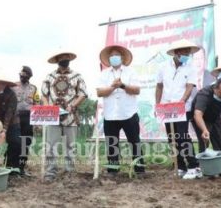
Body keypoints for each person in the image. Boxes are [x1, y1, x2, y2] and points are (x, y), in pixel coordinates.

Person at [155, 39, 200, 179]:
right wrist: (157, 104)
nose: (186, 53)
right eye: (183, 51)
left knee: (182, 136)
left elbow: (189, 87)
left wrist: (182, 101)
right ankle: (180, 166)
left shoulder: (191, 67)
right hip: (167, 108)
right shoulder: (163, 67)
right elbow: (159, 86)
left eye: (188, 51)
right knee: (172, 138)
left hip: (182, 108)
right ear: (176, 52)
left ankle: (194, 167)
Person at [96, 45, 145, 177]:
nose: (114, 58)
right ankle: (113, 170)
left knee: (135, 141)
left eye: (116, 55)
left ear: (122, 57)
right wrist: (113, 86)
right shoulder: (104, 74)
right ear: (108, 59)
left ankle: (140, 170)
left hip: (129, 113)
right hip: (110, 114)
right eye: (111, 56)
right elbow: (100, 92)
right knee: (112, 143)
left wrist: (122, 85)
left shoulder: (131, 72)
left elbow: (137, 90)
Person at [41, 52, 87, 182]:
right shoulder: (49, 76)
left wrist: (73, 106)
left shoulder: (77, 76)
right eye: (61, 58)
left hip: (70, 115)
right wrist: (47, 107)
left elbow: (83, 94)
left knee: (70, 145)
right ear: (57, 60)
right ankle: (50, 172)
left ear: (69, 60)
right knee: (51, 145)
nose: (64, 60)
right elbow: (44, 94)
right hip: (53, 115)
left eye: (66, 58)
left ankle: (69, 171)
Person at [191, 77, 221, 174]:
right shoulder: (204, 94)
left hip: (215, 116)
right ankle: (205, 169)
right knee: (204, 141)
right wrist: (205, 130)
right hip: (201, 118)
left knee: (218, 140)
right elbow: (197, 114)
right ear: (215, 88)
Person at [11, 66, 38, 176]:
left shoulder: (34, 88)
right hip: (15, 118)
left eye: (25, 76)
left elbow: (36, 104)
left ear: (29, 77)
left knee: (25, 143)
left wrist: (36, 123)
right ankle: (12, 167)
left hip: (28, 118)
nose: (22, 77)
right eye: (21, 75)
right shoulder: (12, 86)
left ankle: (21, 168)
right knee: (14, 142)